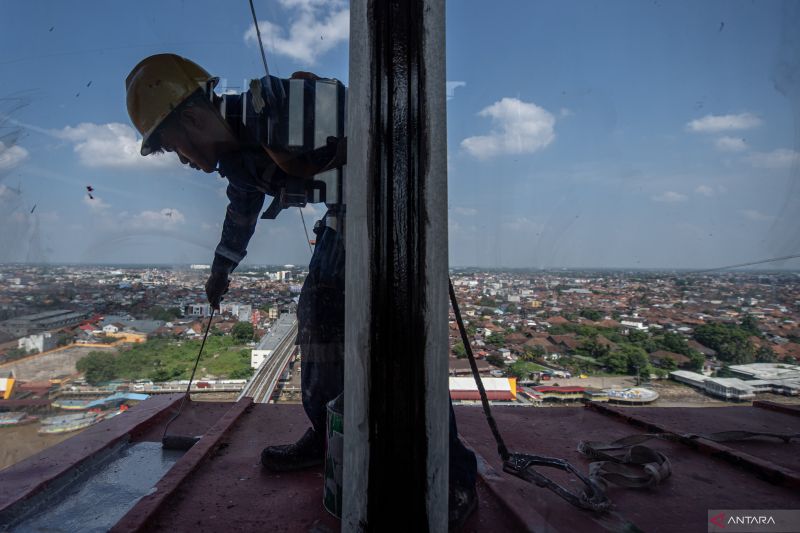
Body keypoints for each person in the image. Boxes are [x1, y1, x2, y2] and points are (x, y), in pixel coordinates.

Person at [125, 53, 477, 529]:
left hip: (388, 220)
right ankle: (327, 434)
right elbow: (242, 211)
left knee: (401, 347)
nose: (184, 162)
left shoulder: (279, 105)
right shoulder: (237, 158)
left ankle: (452, 477)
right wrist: (221, 269)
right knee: (315, 320)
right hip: (343, 222)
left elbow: (380, 128)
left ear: (190, 118)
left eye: (174, 148)